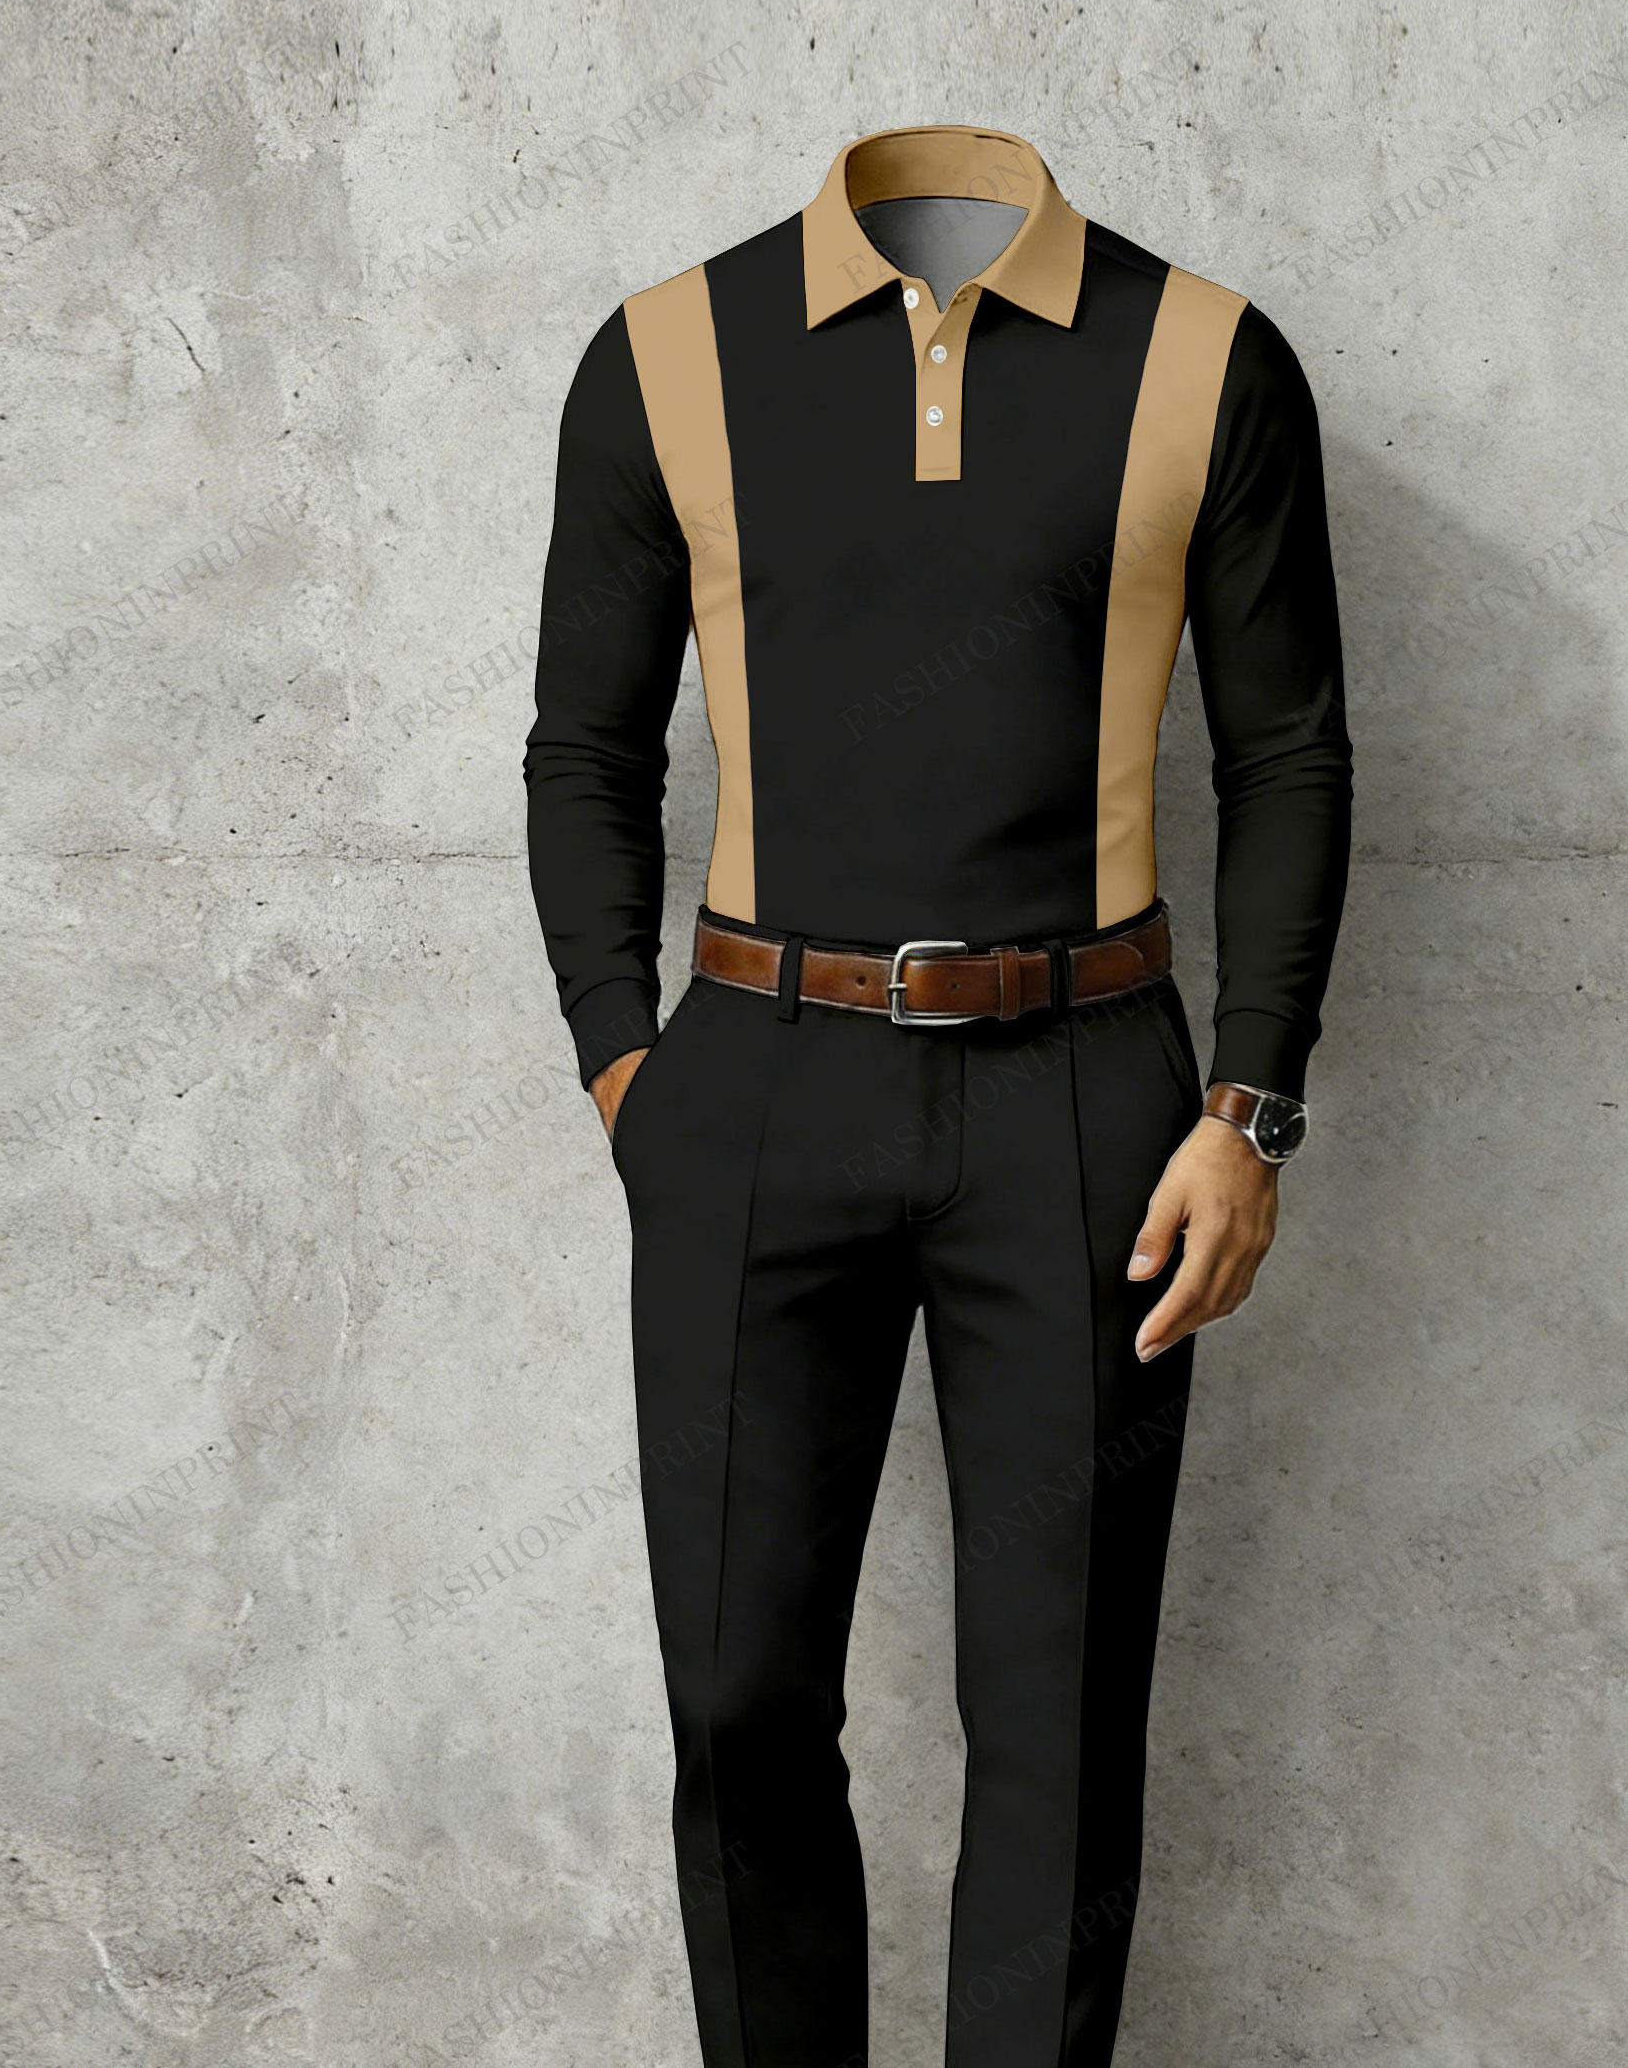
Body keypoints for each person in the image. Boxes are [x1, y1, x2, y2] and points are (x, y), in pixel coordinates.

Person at [522, 121, 1349, 2068]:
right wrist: (625, 1065)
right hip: (752, 1084)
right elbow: (584, 746)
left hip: (1087, 1107)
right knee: (735, 1702)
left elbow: (1289, 752)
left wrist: (1249, 1106)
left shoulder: (1202, 354)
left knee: (1057, 1724)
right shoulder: (670, 351)